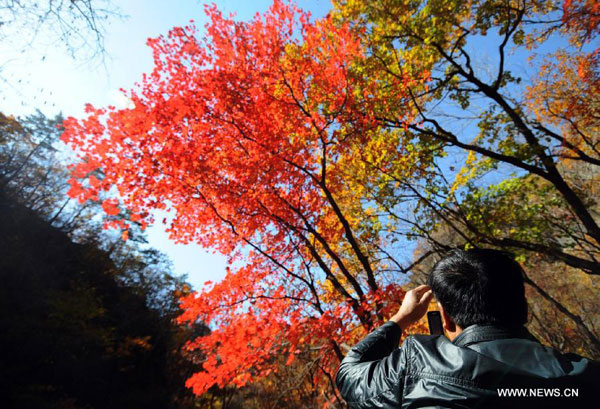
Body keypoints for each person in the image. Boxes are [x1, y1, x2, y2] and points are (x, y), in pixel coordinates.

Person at [335, 248, 600, 408]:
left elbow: (349, 375)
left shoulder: (418, 365)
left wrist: (401, 318)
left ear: (446, 318)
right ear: (523, 308)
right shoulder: (587, 376)